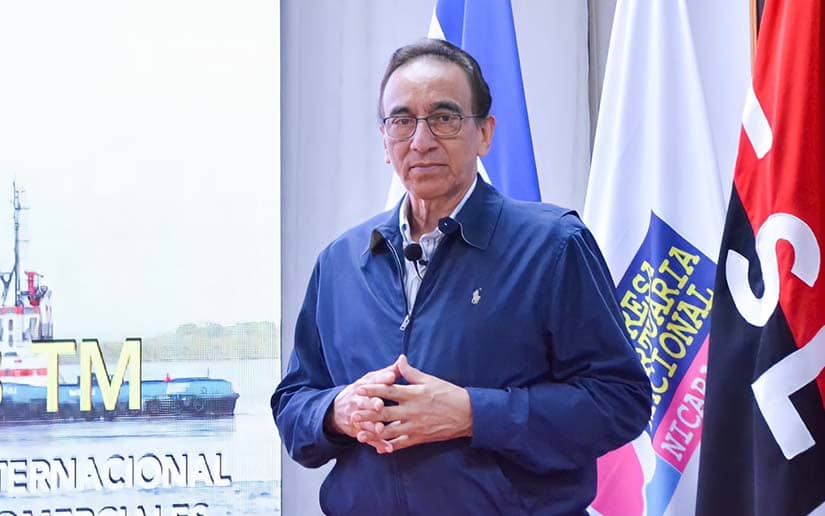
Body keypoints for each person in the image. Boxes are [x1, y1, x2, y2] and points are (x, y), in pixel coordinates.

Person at [272, 38, 651, 515]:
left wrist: (472, 414)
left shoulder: (553, 246)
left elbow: (620, 401)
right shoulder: (340, 262)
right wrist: (335, 412)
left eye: (445, 118)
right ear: (385, 140)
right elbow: (293, 402)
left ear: (484, 134)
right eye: (402, 121)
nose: (421, 141)